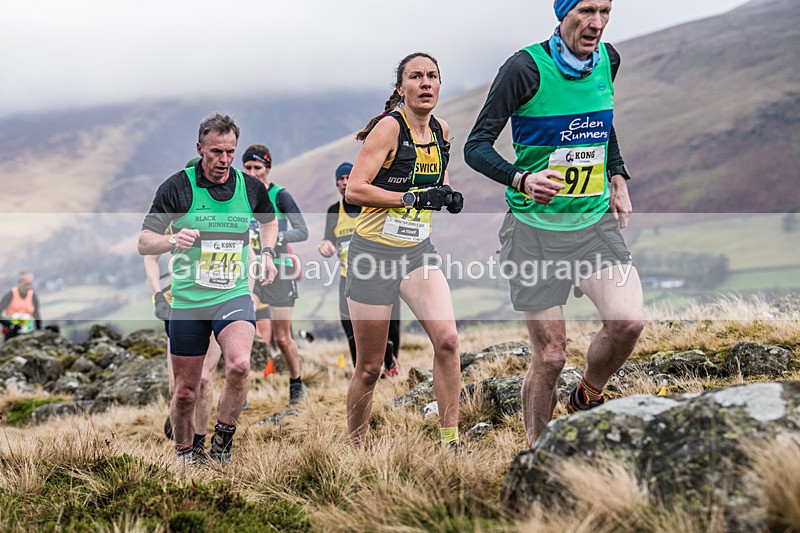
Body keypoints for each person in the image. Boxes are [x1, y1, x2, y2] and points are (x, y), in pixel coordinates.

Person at [464, 0, 645, 447]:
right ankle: (538, 455)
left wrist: (617, 175)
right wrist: (521, 178)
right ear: (563, 12)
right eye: (586, 10)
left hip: (593, 223)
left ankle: (588, 394)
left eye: (605, 10)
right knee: (549, 356)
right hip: (533, 232)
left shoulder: (609, 59)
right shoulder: (524, 69)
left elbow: (601, 125)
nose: (597, 23)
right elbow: (476, 145)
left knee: (628, 322)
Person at [138, 113, 278, 464]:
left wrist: (268, 253)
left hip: (232, 295)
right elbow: (144, 242)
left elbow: (270, 221)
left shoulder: (250, 188)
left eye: (230, 152)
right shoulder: (178, 187)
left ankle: (222, 444)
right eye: (216, 151)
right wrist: (171, 239)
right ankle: (187, 454)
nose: (224, 160)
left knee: (240, 365)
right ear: (200, 148)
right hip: (188, 301)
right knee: (186, 391)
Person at [344, 52, 465, 448]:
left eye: (432, 76)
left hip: (417, 252)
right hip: (373, 255)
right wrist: (411, 198)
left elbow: (436, 175)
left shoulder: (442, 130)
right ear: (401, 88)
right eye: (416, 77)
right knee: (370, 367)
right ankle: (356, 446)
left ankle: (450, 440)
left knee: (447, 341)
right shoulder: (388, 129)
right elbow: (355, 189)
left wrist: (445, 195)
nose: (425, 83)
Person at [319, 161, 402, 377]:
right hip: (348, 279)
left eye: (348, 177)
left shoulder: (372, 204)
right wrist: (325, 247)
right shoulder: (333, 211)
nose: (345, 183)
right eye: (340, 179)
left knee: (387, 325)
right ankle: (362, 371)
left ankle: (391, 363)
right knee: (351, 327)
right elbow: (327, 240)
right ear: (337, 184)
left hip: (379, 276)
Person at [242, 144, 310, 405]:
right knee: (244, 332)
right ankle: (241, 392)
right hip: (249, 272)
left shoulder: (280, 195)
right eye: (247, 167)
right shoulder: (239, 195)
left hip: (279, 271)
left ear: (267, 169)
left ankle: (296, 384)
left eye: (257, 167)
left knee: (282, 337)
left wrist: (273, 237)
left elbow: (302, 231)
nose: (252, 172)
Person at [144, 249, 222, 457]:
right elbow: (150, 255)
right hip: (178, 304)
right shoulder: (175, 218)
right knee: (178, 388)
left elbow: (248, 255)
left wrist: (247, 295)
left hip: (217, 300)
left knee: (204, 378)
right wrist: (158, 296)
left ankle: (197, 448)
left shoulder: (225, 217)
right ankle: (183, 434)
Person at [1, 271, 42, 342]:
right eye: (26, 284)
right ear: (19, 283)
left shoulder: (33, 297)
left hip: (28, 332)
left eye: (30, 284)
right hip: (11, 333)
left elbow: (36, 315)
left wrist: (39, 331)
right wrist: (9, 325)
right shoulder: (10, 295)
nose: (28, 287)